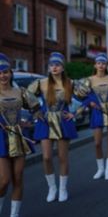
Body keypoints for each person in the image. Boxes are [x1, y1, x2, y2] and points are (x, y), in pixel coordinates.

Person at [27, 52, 79, 202]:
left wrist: (74, 113)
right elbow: (26, 96)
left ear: (62, 67)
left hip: (63, 122)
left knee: (63, 157)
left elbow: (87, 96)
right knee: (47, 157)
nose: (54, 67)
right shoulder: (41, 83)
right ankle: (52, 187)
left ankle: (63, 188)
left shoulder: (70, 83)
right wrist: (35, 111)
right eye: (51, 65)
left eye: (57, 65)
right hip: (45, 121)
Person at [0, 53, 40, 217]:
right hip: (0, 139)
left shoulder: (20, 91)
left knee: (18, 177)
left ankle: (14, 216)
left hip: (18, 137)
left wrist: (34, 122)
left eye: (6, 71)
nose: (3, 75)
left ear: (11, 72)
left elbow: (36, 108)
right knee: (4, 179)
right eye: (0, 72)